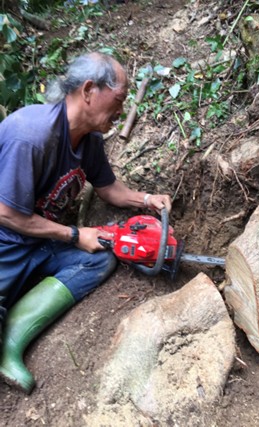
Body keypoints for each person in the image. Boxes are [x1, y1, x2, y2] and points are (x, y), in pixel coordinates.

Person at [0, 52, 171, 394]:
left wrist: (148, 200)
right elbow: (7, 213)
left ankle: (13, 337)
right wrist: (74, 233)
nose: (122, 109)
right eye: (120, 98)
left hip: (37, 241)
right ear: (90, 90)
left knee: (98, 257)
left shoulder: (89, 140)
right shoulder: (31, 135)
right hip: (5, 243)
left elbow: (109, 189)